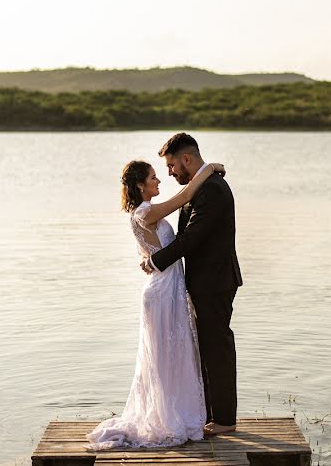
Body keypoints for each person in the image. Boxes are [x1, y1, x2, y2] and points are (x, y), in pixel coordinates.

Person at [86, 155, 226, 450]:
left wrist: (147, 259)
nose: (159, 180)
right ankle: (167, 418)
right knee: (165, 356)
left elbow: (148, 250)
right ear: (140, 186)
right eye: (153, 178)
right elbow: (187, 195)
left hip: (168, 286)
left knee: (175, 353)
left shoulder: (143, 213)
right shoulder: (145, 211)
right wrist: (209, 169)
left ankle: (177, 412)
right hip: (162, 292)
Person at [143, 133, 242, 437]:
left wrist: (156, 261)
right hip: (204, 281)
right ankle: (211, 415)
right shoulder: (200, 186)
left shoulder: (212, 190)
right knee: (207, 348)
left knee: (217, 347)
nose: (170, 172)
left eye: (172, 165)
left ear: (187, 159)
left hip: (215, 282)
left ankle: (225, 419)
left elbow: (192, 238)